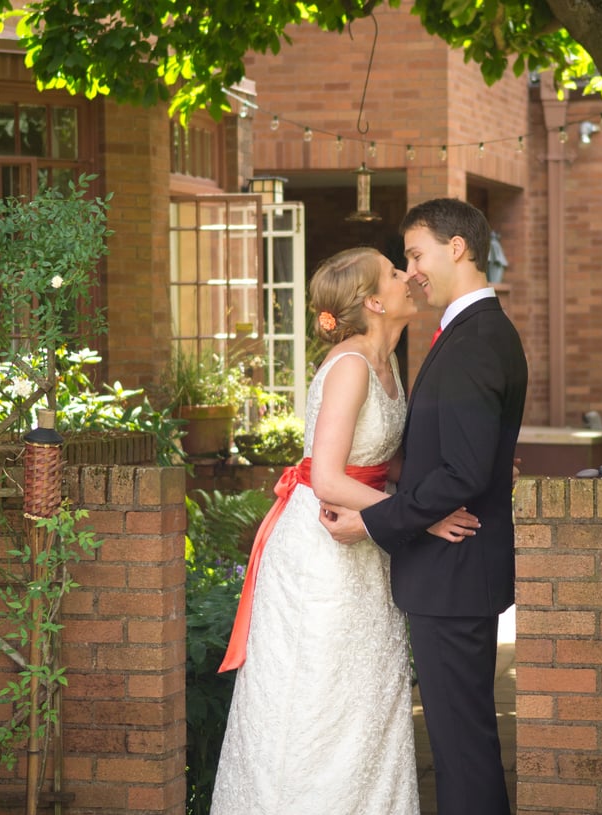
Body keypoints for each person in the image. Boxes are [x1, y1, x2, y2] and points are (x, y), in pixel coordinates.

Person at [210, 246, 479, 815]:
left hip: (366, 539)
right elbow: (329, 479)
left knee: (365, 699)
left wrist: (478, 462)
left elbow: (385, 461)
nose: (410, 276)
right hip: (322, 552)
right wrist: (425, 516)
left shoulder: (387, 361)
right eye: (394, 270)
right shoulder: (352, 365)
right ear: (376, 301)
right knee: (318, 699)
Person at [321, 198, 528, 815]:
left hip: (455, 570)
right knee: (463, 741)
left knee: (461, 748)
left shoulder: (473, 340)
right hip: (456, 571)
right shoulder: (472, 333)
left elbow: (460, 471)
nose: (412, 271)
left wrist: (374, 519)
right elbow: (466, 454)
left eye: (416, 254)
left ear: (456, 248)